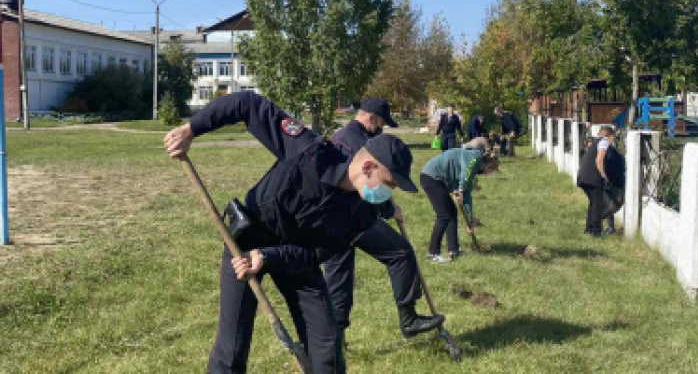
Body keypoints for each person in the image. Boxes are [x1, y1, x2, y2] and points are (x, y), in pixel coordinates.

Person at [163, 91, 429, 373]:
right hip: (246, 241)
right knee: (232, 350)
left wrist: (268, 257)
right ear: (367, 166)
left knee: (327, 345)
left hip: (294, 258)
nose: (389, 193)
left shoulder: (362, 216)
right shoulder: (310, 151)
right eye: (389, 183)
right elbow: (247, 104)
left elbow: (312, 256)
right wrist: (192, 128)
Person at [325, 98, 443, 346]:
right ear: (371, 118)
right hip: (356, 218)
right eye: (381, 124)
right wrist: (389, 208)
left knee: (338, 276)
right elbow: (371, 183)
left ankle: (335, 339)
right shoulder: (363, 143)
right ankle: (408, 319)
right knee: (400, 253)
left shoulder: (340, 135)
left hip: (332, 219)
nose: (381, 130)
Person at [420, 147, 500, 262]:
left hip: (438, 180)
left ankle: (453, 250)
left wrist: (469, 220)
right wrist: (461, 189)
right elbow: (466, 172)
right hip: (432, 177)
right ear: (487, 166)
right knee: (444, 215)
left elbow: (467, 198)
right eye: (490, 172)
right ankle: (432, 253)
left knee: (452, 212)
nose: (488, 175)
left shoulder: (472, 172)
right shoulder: (475, 158)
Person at [577, 126, 625, 237]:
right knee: (597, 205)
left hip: (583, 177)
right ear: (610, 136)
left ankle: (589, 229)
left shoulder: (595, 142)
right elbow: (599, 160)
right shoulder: (604, 142)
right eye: (613, 138)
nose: (612, 140)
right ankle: (595, 232)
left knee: (593, 203)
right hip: (592, 178)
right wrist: (604, 176)